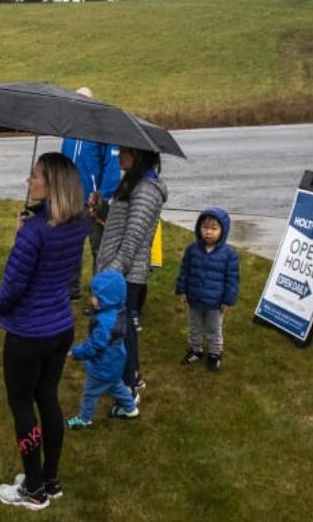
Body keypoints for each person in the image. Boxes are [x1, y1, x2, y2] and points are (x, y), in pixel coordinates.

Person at [0, 152, 90, 511]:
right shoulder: (77, 223)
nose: (28, 182)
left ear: (51, 185)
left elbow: (14, 283)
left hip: (28, 333)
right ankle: (50, 478)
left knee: (22, 404)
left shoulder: (34, 232)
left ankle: (33, 489)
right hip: (60, 326)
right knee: (47, 397)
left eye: (34, 177)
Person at [95, 147, 168, 394]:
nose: (118, 155)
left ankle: (129, 388)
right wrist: (101, 209)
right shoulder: (132, 182)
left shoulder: (147, 190)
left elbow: (133, 238)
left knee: (121, 332)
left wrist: (112, 273)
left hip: (126, 275)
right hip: (119, 271)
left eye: (124, 151)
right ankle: (132, 377)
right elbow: (121, 223)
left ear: (138, 155)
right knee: (121, 329)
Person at [60, 87, 121, 299]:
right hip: (70, 200)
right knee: (70, 247)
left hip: (93, 202)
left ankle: (99, 294)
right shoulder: (70, 130)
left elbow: (112, 168)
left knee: (100, 251)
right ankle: (70, 291)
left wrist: (101, 196)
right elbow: (63, 163)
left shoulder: (104, 131)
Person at [66, 269, 139, 428]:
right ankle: (131, 409)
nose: (92, 299)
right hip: (116, 359)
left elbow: (94, 346)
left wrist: (76, 353)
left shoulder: (105, 322)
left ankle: (84, 419)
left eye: (96, 296)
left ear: (107, 299)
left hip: (102, 365)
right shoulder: (118, 310)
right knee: (116, 385)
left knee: (90, 393)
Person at [175, 207, 240, 372]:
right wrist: (181, 289)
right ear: (199, 228)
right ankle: (195, 349)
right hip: (195, 298)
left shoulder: (229, 255)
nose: (208, 232)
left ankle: (214, 353)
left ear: (223, 230)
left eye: (214, 228)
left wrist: (227, 299)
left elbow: (232, 279)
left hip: (215, 303)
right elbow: (185, 271)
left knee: (214, 329)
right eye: (205, 228)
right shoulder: (192, 250)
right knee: (194, 327)